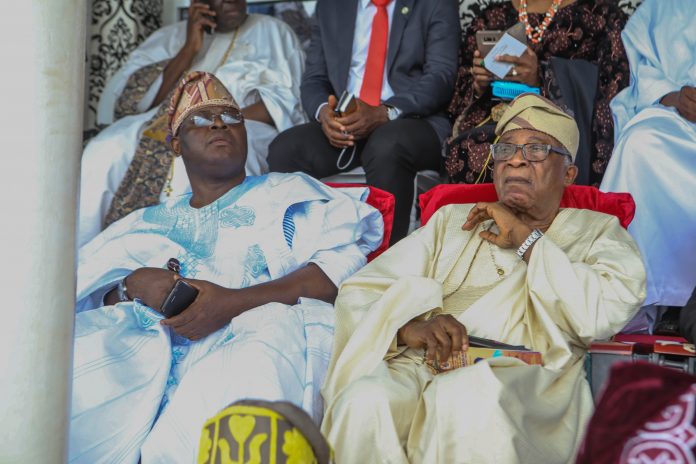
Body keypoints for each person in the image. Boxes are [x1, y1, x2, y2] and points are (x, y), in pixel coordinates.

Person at [69, 72, 383, 464]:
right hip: (136, 364)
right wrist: (130, 287)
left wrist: (232, 303)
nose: (219, 124)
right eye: (202, 119)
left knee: (262, 351)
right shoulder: (140, 224)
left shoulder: (287, 194)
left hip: (243, 345)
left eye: (232, 117)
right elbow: (75, 303)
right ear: (176, 144)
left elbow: (336, 272)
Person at [321, 93, 646, 463]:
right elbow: (362, 290)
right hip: (422, 362)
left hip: (526, 378)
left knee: (465, 396)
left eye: (536, 149)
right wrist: (408, 328)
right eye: (505, 149)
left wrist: (525, 239)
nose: (517, 159)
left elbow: (603, 311)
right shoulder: (452, 221)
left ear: (568, 174)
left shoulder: (599, 231)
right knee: (364, 401)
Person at [78, 0, 306, 247]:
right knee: (104, 149)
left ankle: (190, 254)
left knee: (205, 153)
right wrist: (189, 48)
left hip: (243, 122)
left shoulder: (272, 31)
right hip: (157, 122)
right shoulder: (169, 37)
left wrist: (219, 120)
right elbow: (132, 102)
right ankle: (88, 254)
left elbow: (286, 103)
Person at [267, 0, 460, 244]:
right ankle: (299, 251)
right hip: (347, 122)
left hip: (413, 120)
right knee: (285, 148)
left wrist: (385, 112)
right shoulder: (332, 6)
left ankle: (388, 255)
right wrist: (324, 112)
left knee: (387, 145)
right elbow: (314, 79)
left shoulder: (434, 3)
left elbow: (441, 77)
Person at [446, 0, 629, 186]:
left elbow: (613, 90)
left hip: (564, 124)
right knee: (473, 149)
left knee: (540, 154)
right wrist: (479, 85)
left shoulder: (601, 17)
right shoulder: (490, 18)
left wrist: (542, 77)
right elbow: (456, 100)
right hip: (498, 120)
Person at [600, 0, 696, 310]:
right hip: (678, 122)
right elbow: (642, 71)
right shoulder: (664, 6)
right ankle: (642, 297)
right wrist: (674, 96)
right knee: (640, 144)